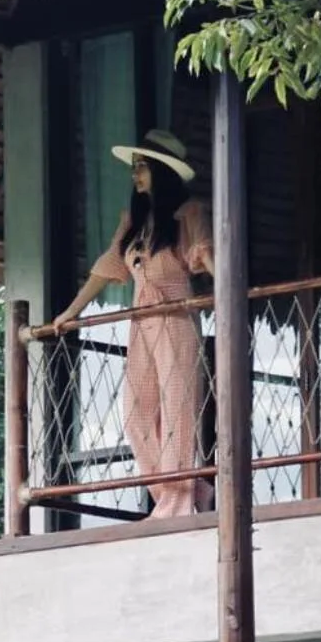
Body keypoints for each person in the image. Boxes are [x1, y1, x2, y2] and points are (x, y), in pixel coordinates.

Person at [51, 129, 214, 518]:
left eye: (142, 167)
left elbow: (207, 255)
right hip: (141, 324)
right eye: (135, 167)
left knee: (177, 412)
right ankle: (186, 490)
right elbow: (107, 269)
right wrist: (71, 312)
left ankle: (178, 502)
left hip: (175, 318)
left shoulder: (187, 214)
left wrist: (231, 293)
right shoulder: (134, 222)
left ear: (161, 170)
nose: (135, 174)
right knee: (136, 414)